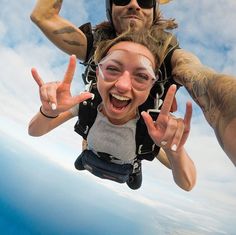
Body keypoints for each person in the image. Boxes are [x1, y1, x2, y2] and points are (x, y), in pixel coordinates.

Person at [30, 0, 236, 166]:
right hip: (105, 116)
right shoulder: (94, 47)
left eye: (146, 1)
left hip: (143, 128)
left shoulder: (171, 59)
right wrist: (50, 111)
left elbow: (206, 81)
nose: (134, 4)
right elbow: (42, 16)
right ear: (110, 7)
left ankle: (129, 163)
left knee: (148, 143)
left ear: (155, 10)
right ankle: (94, 152)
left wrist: (174, 151)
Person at [28, 28, 196, 191]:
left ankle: (133, 170)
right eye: (113, 69)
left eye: (142, 76)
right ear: (98, 73)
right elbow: (34, 131)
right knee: (84, 163)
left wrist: (173, 148)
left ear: (151, 86)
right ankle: (89, 159)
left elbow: (187, 183)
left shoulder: (151, 127)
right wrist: (49, 112)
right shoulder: (87, 104)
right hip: (93, 154)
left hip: (126, 166)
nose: (122, 85)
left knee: (133, 184)